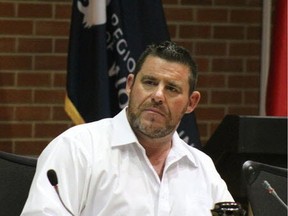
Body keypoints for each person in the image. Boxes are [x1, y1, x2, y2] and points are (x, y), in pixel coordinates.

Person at [21, 41, 233, 216]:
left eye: (171, 89)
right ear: (130, 85)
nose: (158, 96)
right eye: (149, 82)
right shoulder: (78, 148)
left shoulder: (202, 168)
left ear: (191, 103)